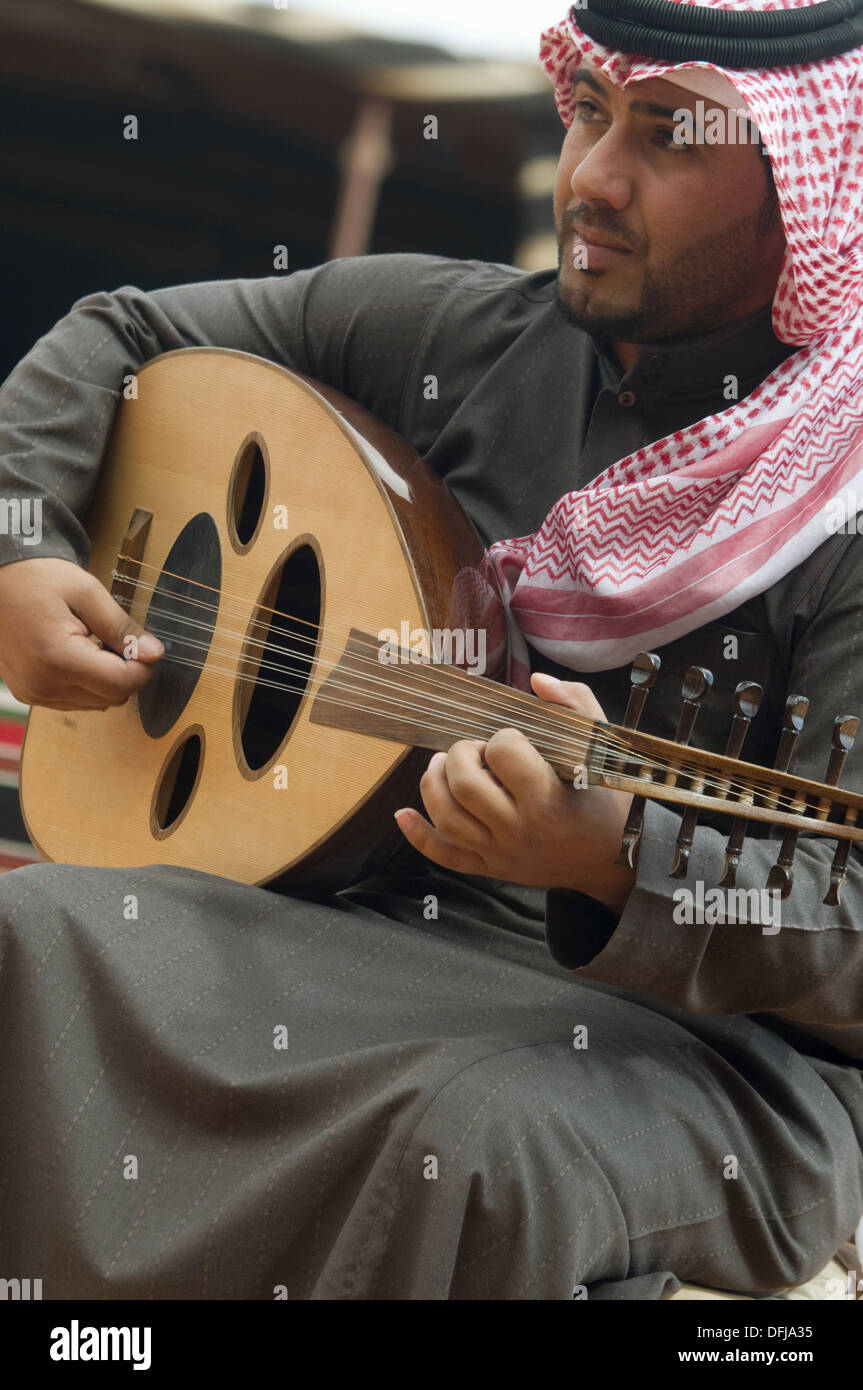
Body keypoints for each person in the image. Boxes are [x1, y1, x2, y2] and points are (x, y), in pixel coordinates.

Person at [0, 0, 861, 1300]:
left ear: (808, 182)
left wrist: (617, 857)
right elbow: (117, 336)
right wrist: (23, 546)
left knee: (473, 1146)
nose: (596, 179)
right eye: (586, 113)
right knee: (28, 932)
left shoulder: (844, 507)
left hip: (730, 1058)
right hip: (385, 930)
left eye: (671, 141)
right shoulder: (469, 340)